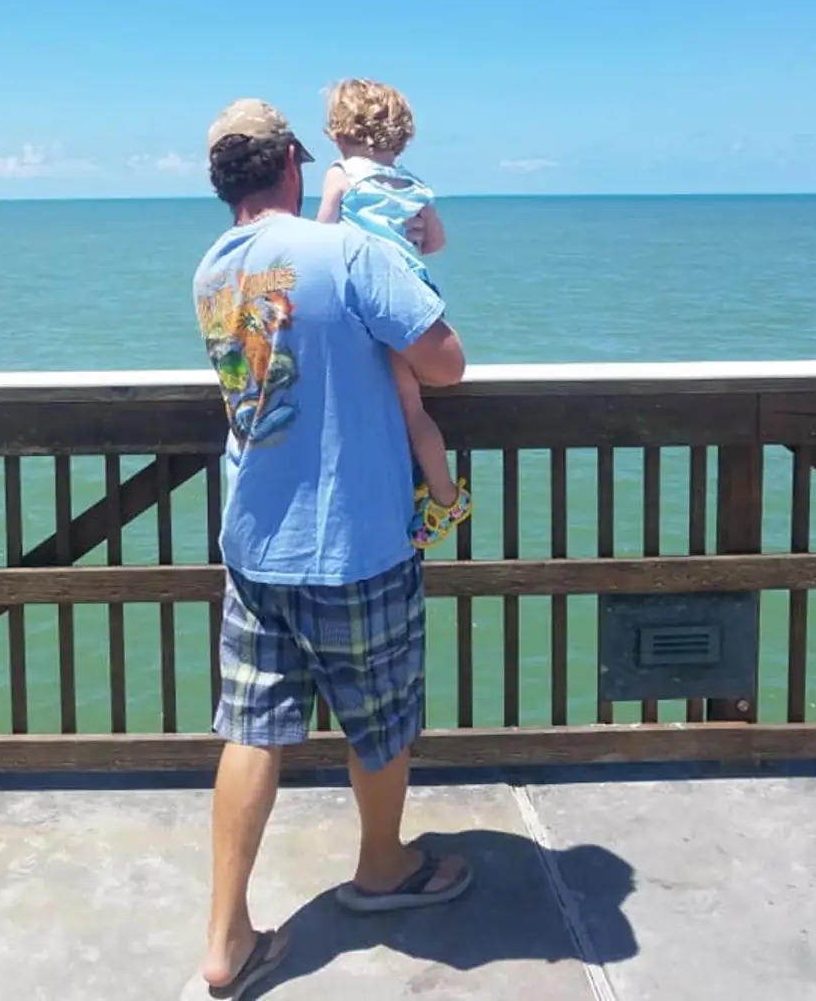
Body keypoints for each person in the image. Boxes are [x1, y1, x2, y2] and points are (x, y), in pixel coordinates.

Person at [193, 97, 473, 999]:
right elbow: (446, 361)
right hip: (353, 538)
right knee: (380, 717)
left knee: (251, 729)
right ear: (290, 163)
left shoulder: (211, 270)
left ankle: (225, 935)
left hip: (254, 540)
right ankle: (382, 866)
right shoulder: (346, 251)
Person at [317, 78, 471, 549]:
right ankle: (444, 495)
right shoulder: (413, 185)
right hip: (414, 297)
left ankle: (429, 496)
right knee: (412, 409)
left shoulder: (341, 174)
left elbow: (322, 236)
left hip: (373, 299)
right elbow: (435, 242)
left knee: (383, 399)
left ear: (340, 132)